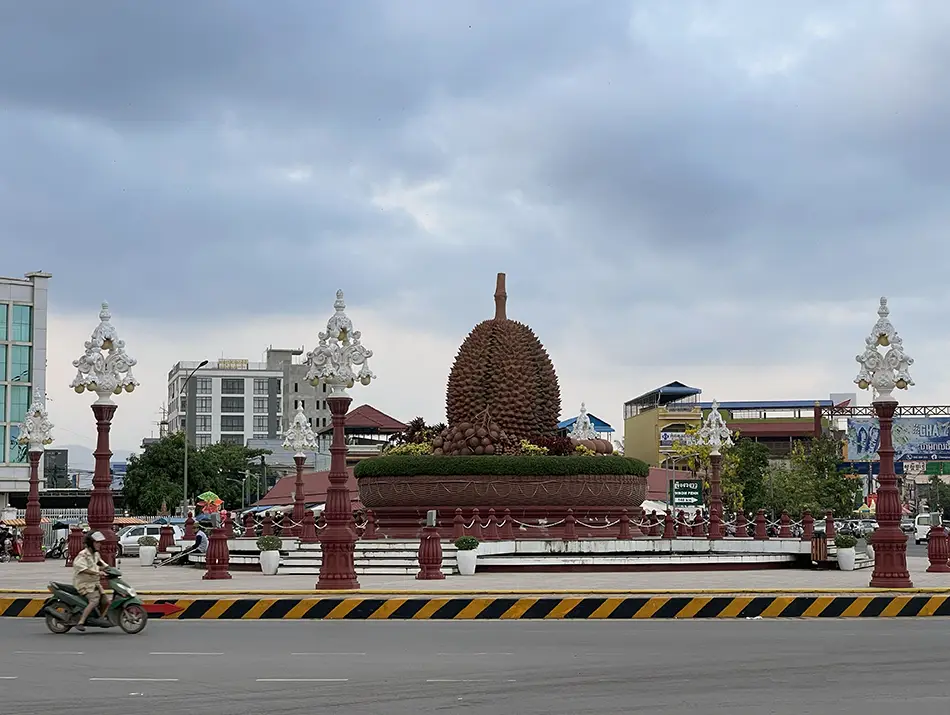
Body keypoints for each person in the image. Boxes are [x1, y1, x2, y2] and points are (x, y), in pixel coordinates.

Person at [72, 531, 111, 630]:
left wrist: (110, 570)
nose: (99, 545)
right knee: (94, 601)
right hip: (84, 584)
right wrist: (98, 573)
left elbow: (102, 564)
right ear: (91, 543)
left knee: (106, 601)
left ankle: (100, 618)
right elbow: (83, 569)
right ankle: (81, 622)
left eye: (99, 542)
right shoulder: (83, 555)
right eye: (97, 542)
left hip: (94, 584)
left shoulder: (95, 554)